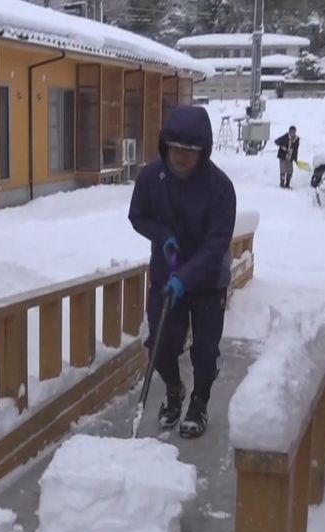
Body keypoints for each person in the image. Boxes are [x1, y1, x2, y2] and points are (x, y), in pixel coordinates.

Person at [128, 105, 237, 439]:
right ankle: (173, 390)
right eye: (175, 149)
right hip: (166, 277)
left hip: (207, 282)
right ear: (166, 146)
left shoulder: (220, 188)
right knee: (160, 345)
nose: (181, 158)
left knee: (205, 351)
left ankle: (199, 402)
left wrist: (186, 277)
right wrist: (162, 237)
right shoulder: (151, 177)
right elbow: (138, 216)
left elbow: (216, 245)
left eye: (190, 152)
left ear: (203, 151)